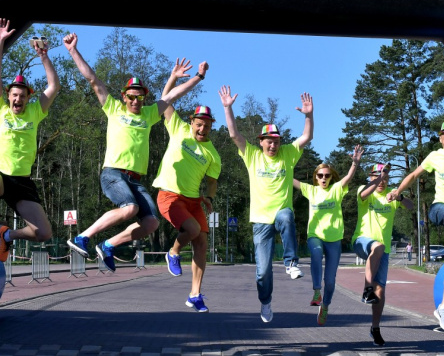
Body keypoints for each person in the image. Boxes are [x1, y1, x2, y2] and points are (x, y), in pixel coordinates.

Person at [63, 33, 208, 272]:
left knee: (151, 223)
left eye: (140, 97)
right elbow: (93, 79)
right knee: (129, 209)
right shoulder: (113, 108)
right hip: (113, 173)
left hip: (135, 180)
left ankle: (107, 245)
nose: (136, 101)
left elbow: (173, 95)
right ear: (124, 96)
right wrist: (73, 50)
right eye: (131, 97)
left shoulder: (149, 114)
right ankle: (82, 237)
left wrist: (198, 77)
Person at [218, 85, 314, 323]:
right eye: (269, 142)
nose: (273, 146)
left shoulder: (288, 154)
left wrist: (308, 115)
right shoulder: (252, 156)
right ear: (261, 142)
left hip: (280, 213)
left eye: (276, 142)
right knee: (262, 272)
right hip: (260, 221)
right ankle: (266, 301)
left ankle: (291, 263)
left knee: (286, 216)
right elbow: (234, 135)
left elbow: (306, 137)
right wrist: (228, 108)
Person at [388, 120, 444, 333]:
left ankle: (443, 308)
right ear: (441, 139)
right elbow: (413, 175)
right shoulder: (435, 156)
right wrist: (398, 191)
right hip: (439, 208)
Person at [153, 59, 221, 313]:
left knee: (201, 242)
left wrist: (209, 197)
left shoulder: (213, 153)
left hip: (193, 201)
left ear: (211, 126)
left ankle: (195, 294)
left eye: (207, 125)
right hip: (169, 195)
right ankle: (173, 252)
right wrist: (174, 77)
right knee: (191, 229)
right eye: (199, 124)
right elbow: (165, 99)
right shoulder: (178, 128)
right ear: (191, 122)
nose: (202, 129)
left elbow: (212, 181)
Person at [0, 18, 60, 262]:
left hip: (22, 181)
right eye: (14, 95)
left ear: (28, 98)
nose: (18, 100)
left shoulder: (35, 111)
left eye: (22, 96)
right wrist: (1, 42)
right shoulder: (2, 110)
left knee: (43, 232)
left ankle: (5, 235)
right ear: (8, 96)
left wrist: (43, 56)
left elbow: (54, 86)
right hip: (1, 174)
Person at [293, 144, 364, 326]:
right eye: (320, 175)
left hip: (334, 239)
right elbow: (290, 179)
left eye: (327, 175)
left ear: (331, 177)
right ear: (315, 177)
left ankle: (325, 305)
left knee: (331, 282)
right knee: (316, 253)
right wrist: (280, 166)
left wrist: (355, 163)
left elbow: (348, 177)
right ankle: (317, 291)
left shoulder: (336, 189)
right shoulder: (311, 190)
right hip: (315, 234)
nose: (323, 178)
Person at [352, 163, 413, 346]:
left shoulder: (392, 195)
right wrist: (377, 179)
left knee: (380, 290)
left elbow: (410, 206)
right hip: (362, 241)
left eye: (385, 178)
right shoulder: (364, 190)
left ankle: (375, 328)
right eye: (377, 177)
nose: (381, 181)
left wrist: (399, 196)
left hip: (383, 250)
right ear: (371, 177)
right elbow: (364, 194)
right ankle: (366, 290)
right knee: (376, 247)